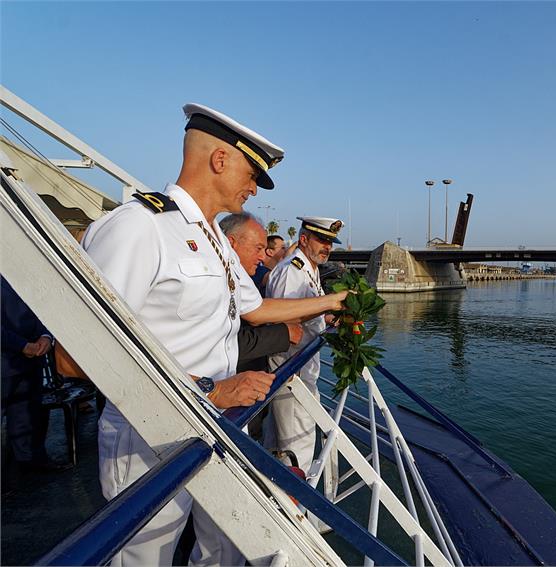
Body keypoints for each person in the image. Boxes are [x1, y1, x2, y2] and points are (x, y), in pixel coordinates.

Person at [75, 104, 347, 567]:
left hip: (214, 424)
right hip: (150, 439)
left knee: (224, 548)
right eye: (253, 174)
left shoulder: (215, 240)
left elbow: (257, 309)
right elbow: (76, 356)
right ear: (219, 160)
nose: (255, 188)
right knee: (146, 559)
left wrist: (331, 303)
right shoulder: (141, 228)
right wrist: (210, 389)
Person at [264, 216, 343, 471]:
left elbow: (307, 310)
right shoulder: (292, 270)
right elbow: (283, 319)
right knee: (298, 445)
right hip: (292, 370)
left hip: (301, 370)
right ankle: (295, 507)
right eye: (321, 240)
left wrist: (327, 316)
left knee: (279, 442)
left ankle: (273, 498)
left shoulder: (309, 269)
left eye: (330, 242)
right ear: (304, 239)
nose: (327, 247)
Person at [219, 212, 303, 372]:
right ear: (231, 244)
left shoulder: (238, 276)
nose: (262, 256)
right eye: (258, 248)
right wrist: (283, 334)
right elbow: (226, 340)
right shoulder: (217, 280)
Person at [1, 277, 64, 473]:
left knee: (28, 415)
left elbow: (43, 303)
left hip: (30, 360)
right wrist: (21, 345)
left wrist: (46, 336)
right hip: (9, 359)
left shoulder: (24, 268)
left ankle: (31, 462)